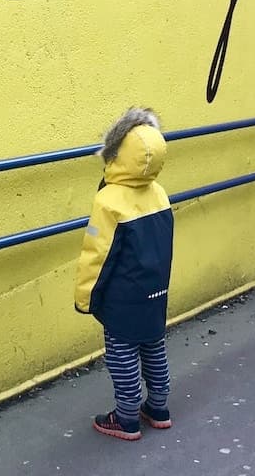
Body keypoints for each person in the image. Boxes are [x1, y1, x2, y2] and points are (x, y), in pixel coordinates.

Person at [74, 107, 174, 441]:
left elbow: (97, 254)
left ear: (115, 153)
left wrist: (84, 297)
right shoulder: (159, 193)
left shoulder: (109, 200)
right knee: (154, 347)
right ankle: (158, 407)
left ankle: (127, 416)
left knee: (122, 354)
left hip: (123, 298)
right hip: (155, 291)